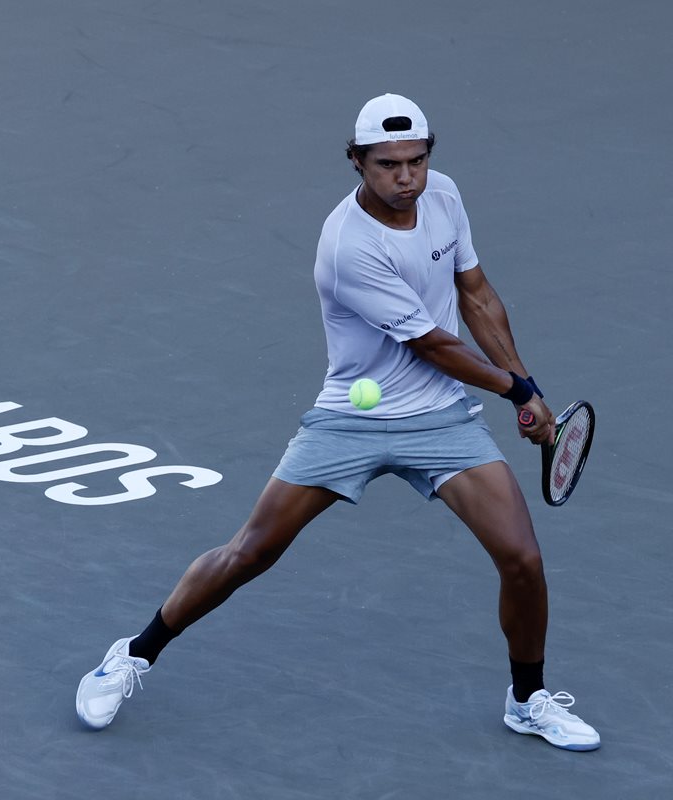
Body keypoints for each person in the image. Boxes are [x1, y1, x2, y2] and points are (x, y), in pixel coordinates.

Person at [75, 94, 600, 751]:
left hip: (440, 418)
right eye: (387, 165)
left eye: (416, 161)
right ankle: (132, 655)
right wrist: (514, 389)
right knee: (251, 552)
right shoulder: (349, 245)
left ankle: (527, 700)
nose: (406, 178)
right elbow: (432, 344)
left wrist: (530, 388)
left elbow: (476, 293)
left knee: (522, 559)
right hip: (350, 420)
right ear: (356, 161)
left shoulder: (444, 196)